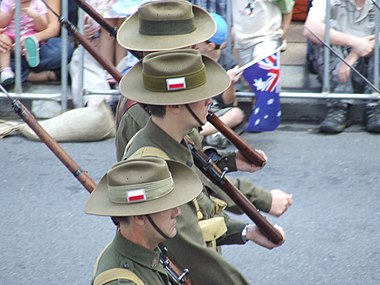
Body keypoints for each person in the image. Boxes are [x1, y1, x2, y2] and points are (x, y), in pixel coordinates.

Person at [119, 48, 286, 285]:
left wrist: (247, 231)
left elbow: (201, 206)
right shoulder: (157, 161)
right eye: (201, 94)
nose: (210, 100)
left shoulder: (175, 141)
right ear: (176, 105)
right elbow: (189, 250)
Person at [115, 0, 292, 217]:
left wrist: (229, 161)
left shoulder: (163, 94)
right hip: (173, 230)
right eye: (189, 46)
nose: (195, 51)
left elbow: (189, 154)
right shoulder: (144, 107)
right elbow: (185, 180)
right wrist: (262, 199)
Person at [86, 157, 203, 285]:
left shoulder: (147, 252)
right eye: (168, 206)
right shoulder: (123, 281)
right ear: (140, 217)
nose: (177, 212)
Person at [303, 0, 380, 134]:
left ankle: (375, 106)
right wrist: (355, 42)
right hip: (338, 61)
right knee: (325, 35)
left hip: (370, 60)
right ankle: (338, 107)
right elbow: (310, 29)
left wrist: (356, 52)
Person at [194, 12, 245, 148]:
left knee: (237, 114)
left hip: (215, 111)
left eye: (197, 39)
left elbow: (228, 102)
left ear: (210, 46)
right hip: (192, 108)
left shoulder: (228, 62)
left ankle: (198, 133)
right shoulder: (190, 59)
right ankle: (213, 133)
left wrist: (230, 83)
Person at [0, 0, 74, 84]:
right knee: (4, 54)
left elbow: (50, 28)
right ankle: (40, 75)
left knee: (63, 49)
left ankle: (15, 73)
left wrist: (32, 38)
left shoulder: (38, 4)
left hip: (33, 42)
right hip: (7, 41)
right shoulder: (7, 3)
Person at [231, 0, 294, 66]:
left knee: (261, 70)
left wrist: (284, 31)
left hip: (267, 37)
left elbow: (287, 8)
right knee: (244, 73)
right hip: (241, 38)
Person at [0, 0, 48, 85]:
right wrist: (9, 14)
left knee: (28, 41)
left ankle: (30, 55)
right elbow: (1, 24)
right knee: (3, 41)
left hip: (29, 34)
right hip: (10, 34)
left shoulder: (38, 4)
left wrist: (36, 16)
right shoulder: (7, 2)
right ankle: (5, 70)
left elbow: (43, 27)